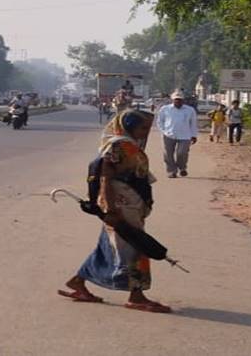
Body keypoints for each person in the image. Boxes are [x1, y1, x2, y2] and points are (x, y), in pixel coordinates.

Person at [60, 109, 170, 313]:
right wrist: (110, 207)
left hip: (130, 204)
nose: (146, 132)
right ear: (129, 125)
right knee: (136, 246)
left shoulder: (129, 144)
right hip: (121, 205)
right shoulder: (119, 145)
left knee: (108, 247)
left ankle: (78, 282)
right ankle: (136, 296)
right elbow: (105, 177)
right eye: (142, 127)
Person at [154, 90, 197, 178]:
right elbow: (159, 121)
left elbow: (193, 123)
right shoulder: (165, 109)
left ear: (183, 100)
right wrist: (163, 131)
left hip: (185, 135)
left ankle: (182, 168)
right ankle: (171, 171)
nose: (178, 101)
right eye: (176, 99)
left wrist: (194, 135)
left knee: (182, 153)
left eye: (180, 99)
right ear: (172, 100)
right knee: (168, 154)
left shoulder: (190, 110)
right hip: (169, 134)